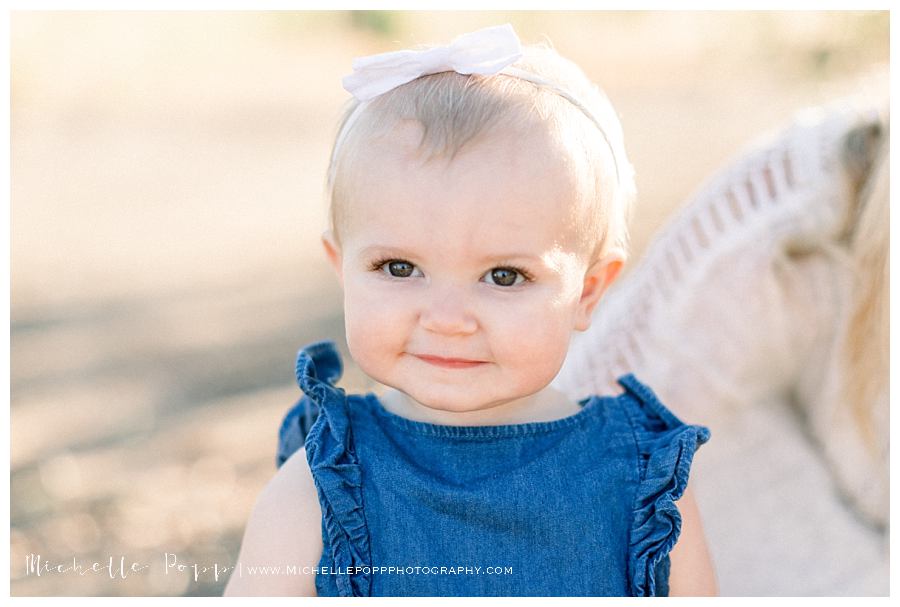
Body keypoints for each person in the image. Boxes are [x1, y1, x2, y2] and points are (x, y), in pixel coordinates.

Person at [224, 24, 716, 597]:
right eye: (399, 268)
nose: (449, 319)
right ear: (343, 269)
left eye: (503, 276)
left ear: (587, 291)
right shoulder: (322, 486)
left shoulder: (642, 483)